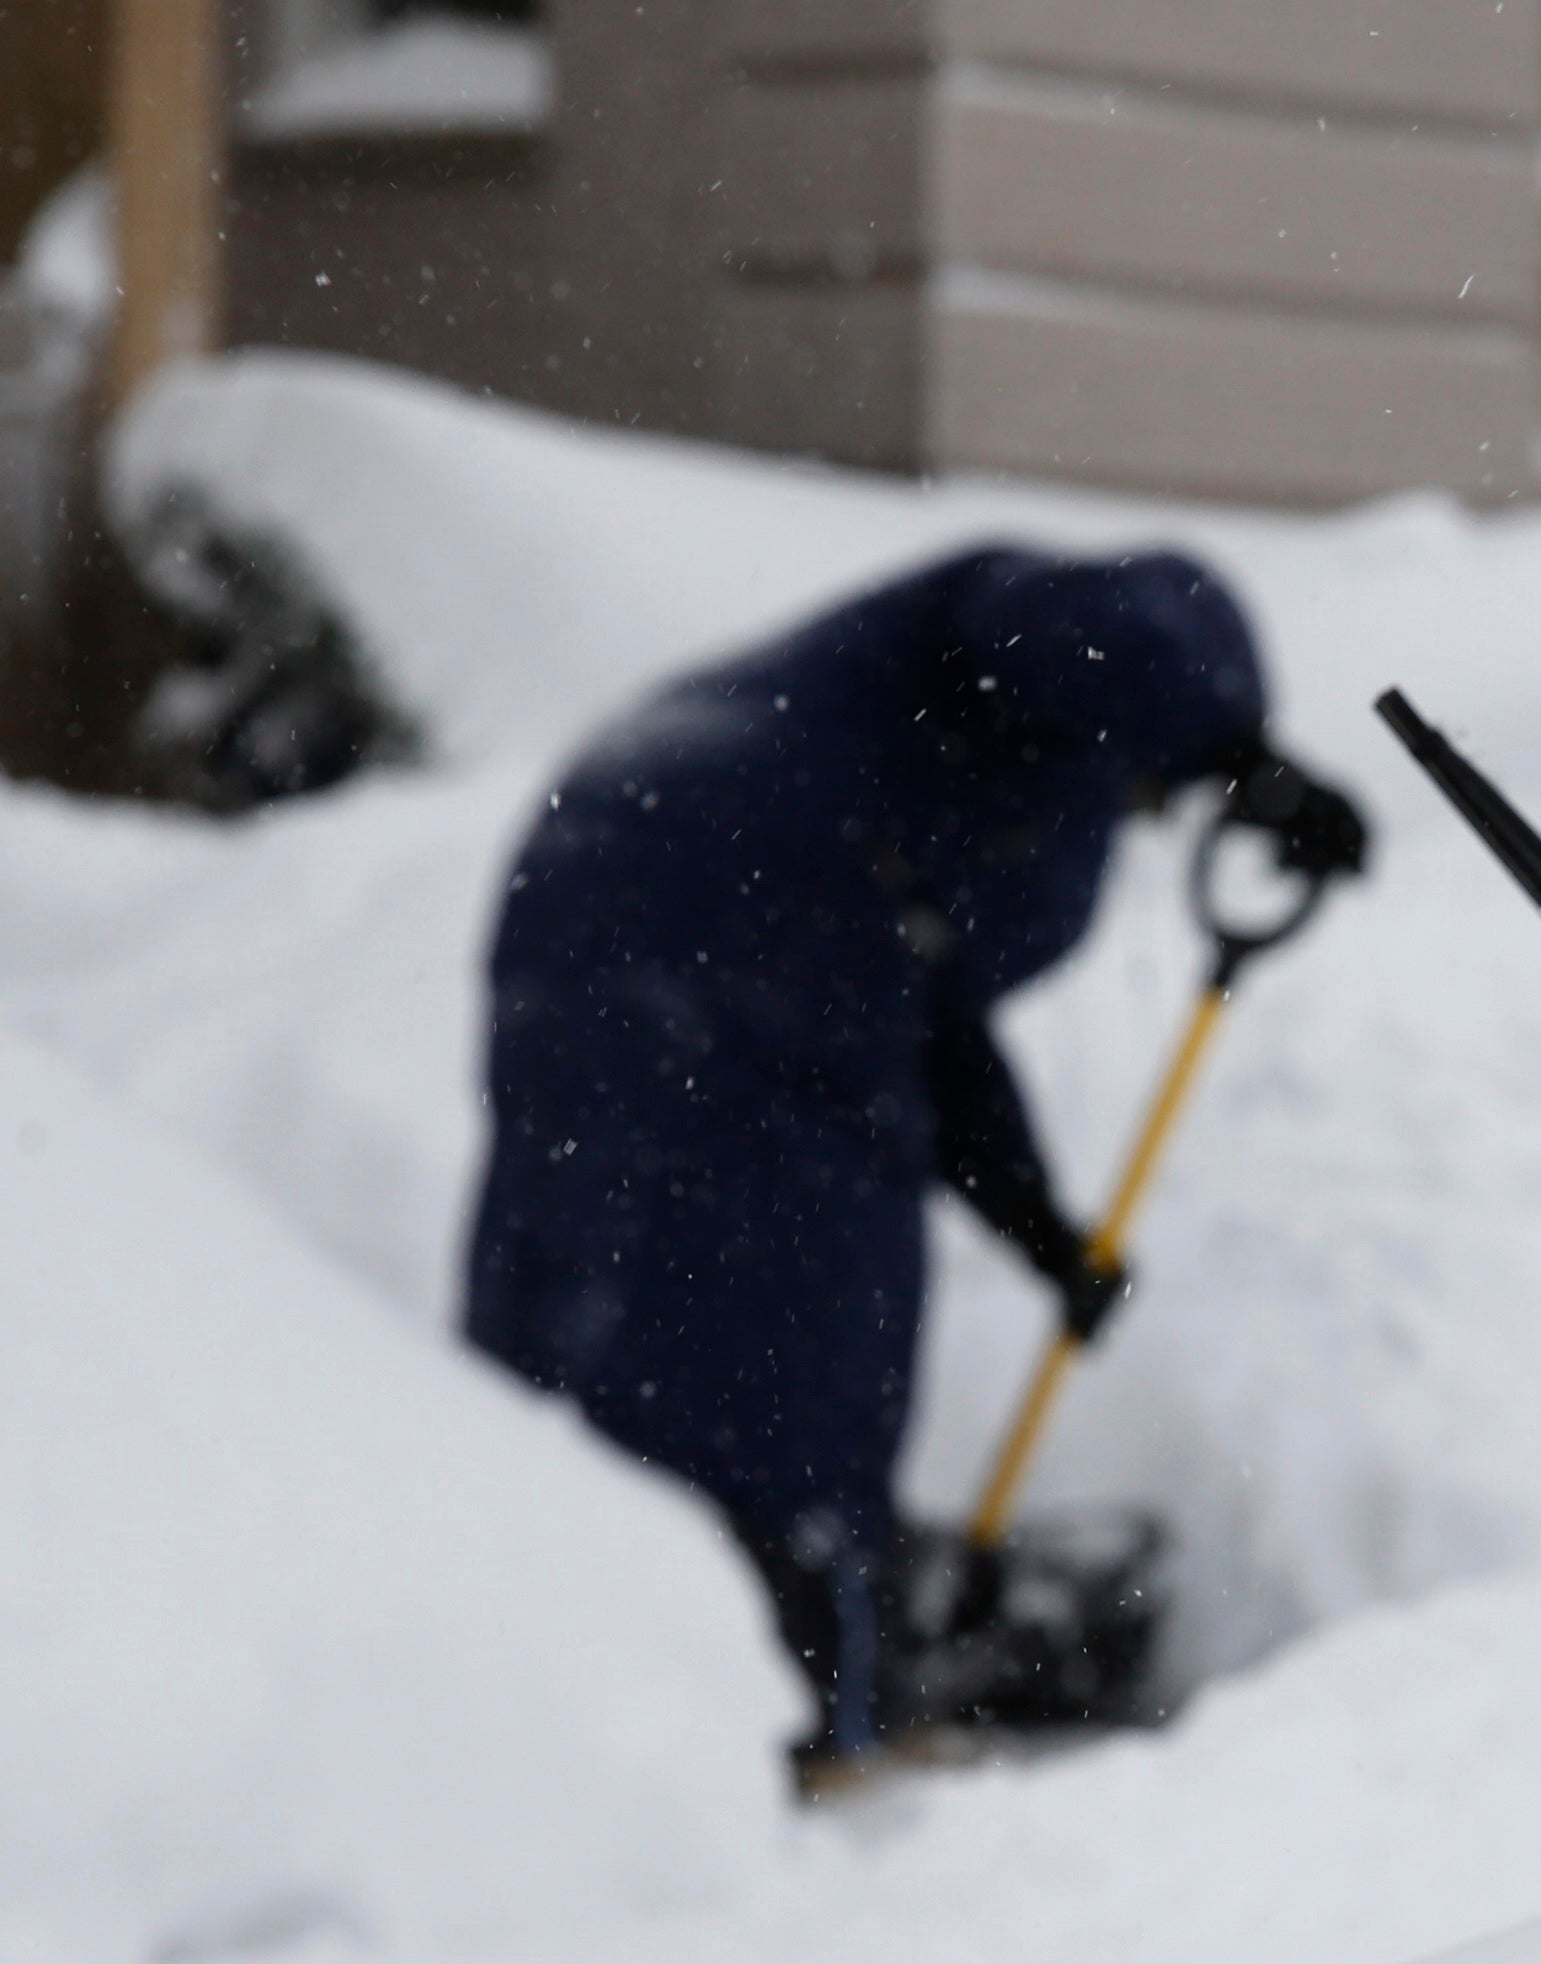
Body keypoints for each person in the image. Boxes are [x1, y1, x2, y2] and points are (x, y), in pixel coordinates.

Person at [458, 545, 1369, 1779]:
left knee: (614, 1312)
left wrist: (1038, 1227)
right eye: (1162, 787)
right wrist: (1231, 744)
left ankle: (567, 1661)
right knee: (790, 1331)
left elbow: (934, 1033)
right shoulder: (1019, 646)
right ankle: (779, 1705)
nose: (1153, 813)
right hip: (712, 925)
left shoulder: (910, 787)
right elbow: (1087, 637)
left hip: (645, 896)